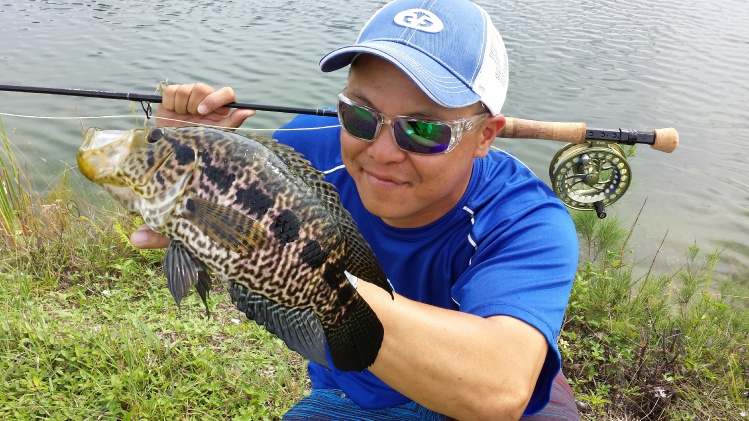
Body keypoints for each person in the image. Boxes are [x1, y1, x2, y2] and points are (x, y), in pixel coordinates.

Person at [130, 0, 581, 419]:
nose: (382, 152)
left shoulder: (525, 218)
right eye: (360, 116)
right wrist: (187, 161)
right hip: (351, 394)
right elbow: (164, 218)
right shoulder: (300, 157)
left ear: (485, 135)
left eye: (422, 130)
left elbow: (498, 388)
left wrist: (309, 276)